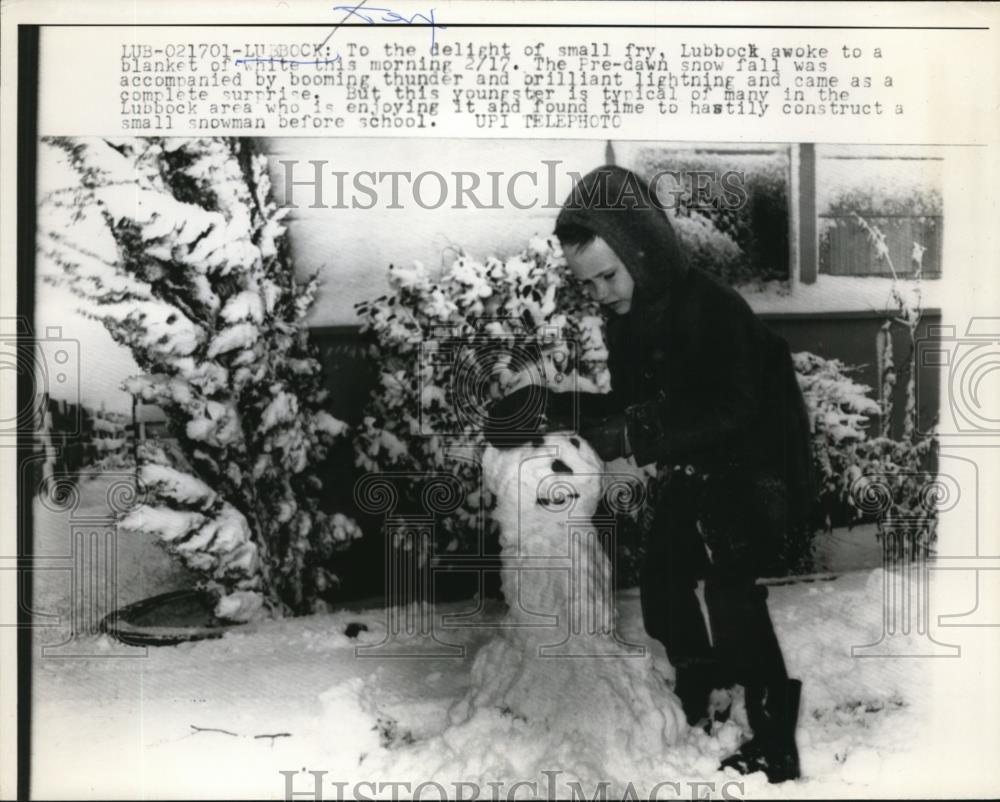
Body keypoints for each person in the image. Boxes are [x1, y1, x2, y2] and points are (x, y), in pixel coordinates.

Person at [486, 165, 814, 783]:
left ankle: (774, 739)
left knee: (731, 589)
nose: (600, 292)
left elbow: (733, 405)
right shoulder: (632, 317)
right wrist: (555, 407)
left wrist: (633, 434)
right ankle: (703, 684)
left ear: (643, 252)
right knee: (663, 572)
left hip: (758, 468)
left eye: (608, 275)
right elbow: (632, 407)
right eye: (589, 284)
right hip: (700, 465)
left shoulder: (709, 308)